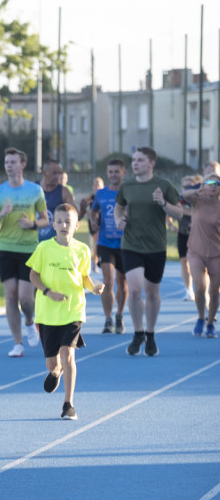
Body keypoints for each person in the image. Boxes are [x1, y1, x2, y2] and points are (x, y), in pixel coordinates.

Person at [27, 204, 104, 421]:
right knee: (52, 362)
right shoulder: (43, 248)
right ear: (53, 224)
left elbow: (85, 277)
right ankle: (55, 372)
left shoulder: (82, 250)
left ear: (76, 225)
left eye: (68, 222)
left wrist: (94, 287)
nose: (63, 225)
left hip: (73, 310)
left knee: (68, 354)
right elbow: (33, 276)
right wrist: (48, 292)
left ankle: (68, 404)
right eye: (59, 221)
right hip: (48, 313)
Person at [114, 146, 181, 356]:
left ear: (152, 163)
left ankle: (150, 334)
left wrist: (163, 203)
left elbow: (179, 213)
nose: (135, 163)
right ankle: (137, 332)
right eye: (134, 160)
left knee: (152, 293)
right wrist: (119, 220)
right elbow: (119, 207)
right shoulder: (127, 185)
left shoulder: (164, 185)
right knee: (134, 290)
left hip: (156, 246)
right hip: (131, 244)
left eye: (140, 160)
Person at [0, 148, 49, 357]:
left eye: (13, 162)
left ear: (22, 164)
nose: (9, 165)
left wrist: (32, 225)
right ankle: (18, 343)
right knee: (10, 297)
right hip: (6, 249)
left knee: (25, 298)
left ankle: (30, 321)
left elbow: (46, 220)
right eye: (6, 162)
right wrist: (1, 214)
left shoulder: (35, 190)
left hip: (29, 250)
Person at [90, 160, 129, 334]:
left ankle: (119, 315)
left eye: (116, 172)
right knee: (108, 281)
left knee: (122, 282)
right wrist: (94, 222)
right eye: (110, 172)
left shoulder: (128, 192)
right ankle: (107, 319)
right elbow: (94, 211)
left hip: (125, 243)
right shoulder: (101, 194)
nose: (113, 175)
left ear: (123, 173)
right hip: (105, 243)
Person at [180, 176, 220, 337]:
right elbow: (184, 194)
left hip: (216, 253)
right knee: (199, 287)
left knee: (214, 291)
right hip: (195, 250)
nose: (213, 187)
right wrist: (198, 190)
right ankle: (200, 318)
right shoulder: (197, 202)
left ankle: (210, 323)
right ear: (204, 186)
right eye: (209, 184)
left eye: (216, 184)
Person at [38, 159, 76, 243]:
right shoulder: (33, 189)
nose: (58, 176)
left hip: (55, 244)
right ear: (44, 173)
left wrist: (83, 210)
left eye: (60, 173)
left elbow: (74, 217)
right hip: (32, 243)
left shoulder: (64, 191)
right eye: (54, 173)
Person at [79, 177, 104, 273]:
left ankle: (96, 261)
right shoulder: (91, 197)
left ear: (102, 185)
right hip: (93, 222)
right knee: (97, 241)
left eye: (98, 184)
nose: (96, 186)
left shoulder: (104, 196)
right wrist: (87, 211)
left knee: (99, 243)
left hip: (103, 222)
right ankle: (95, 263)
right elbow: (83, 205)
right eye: (95, 184)